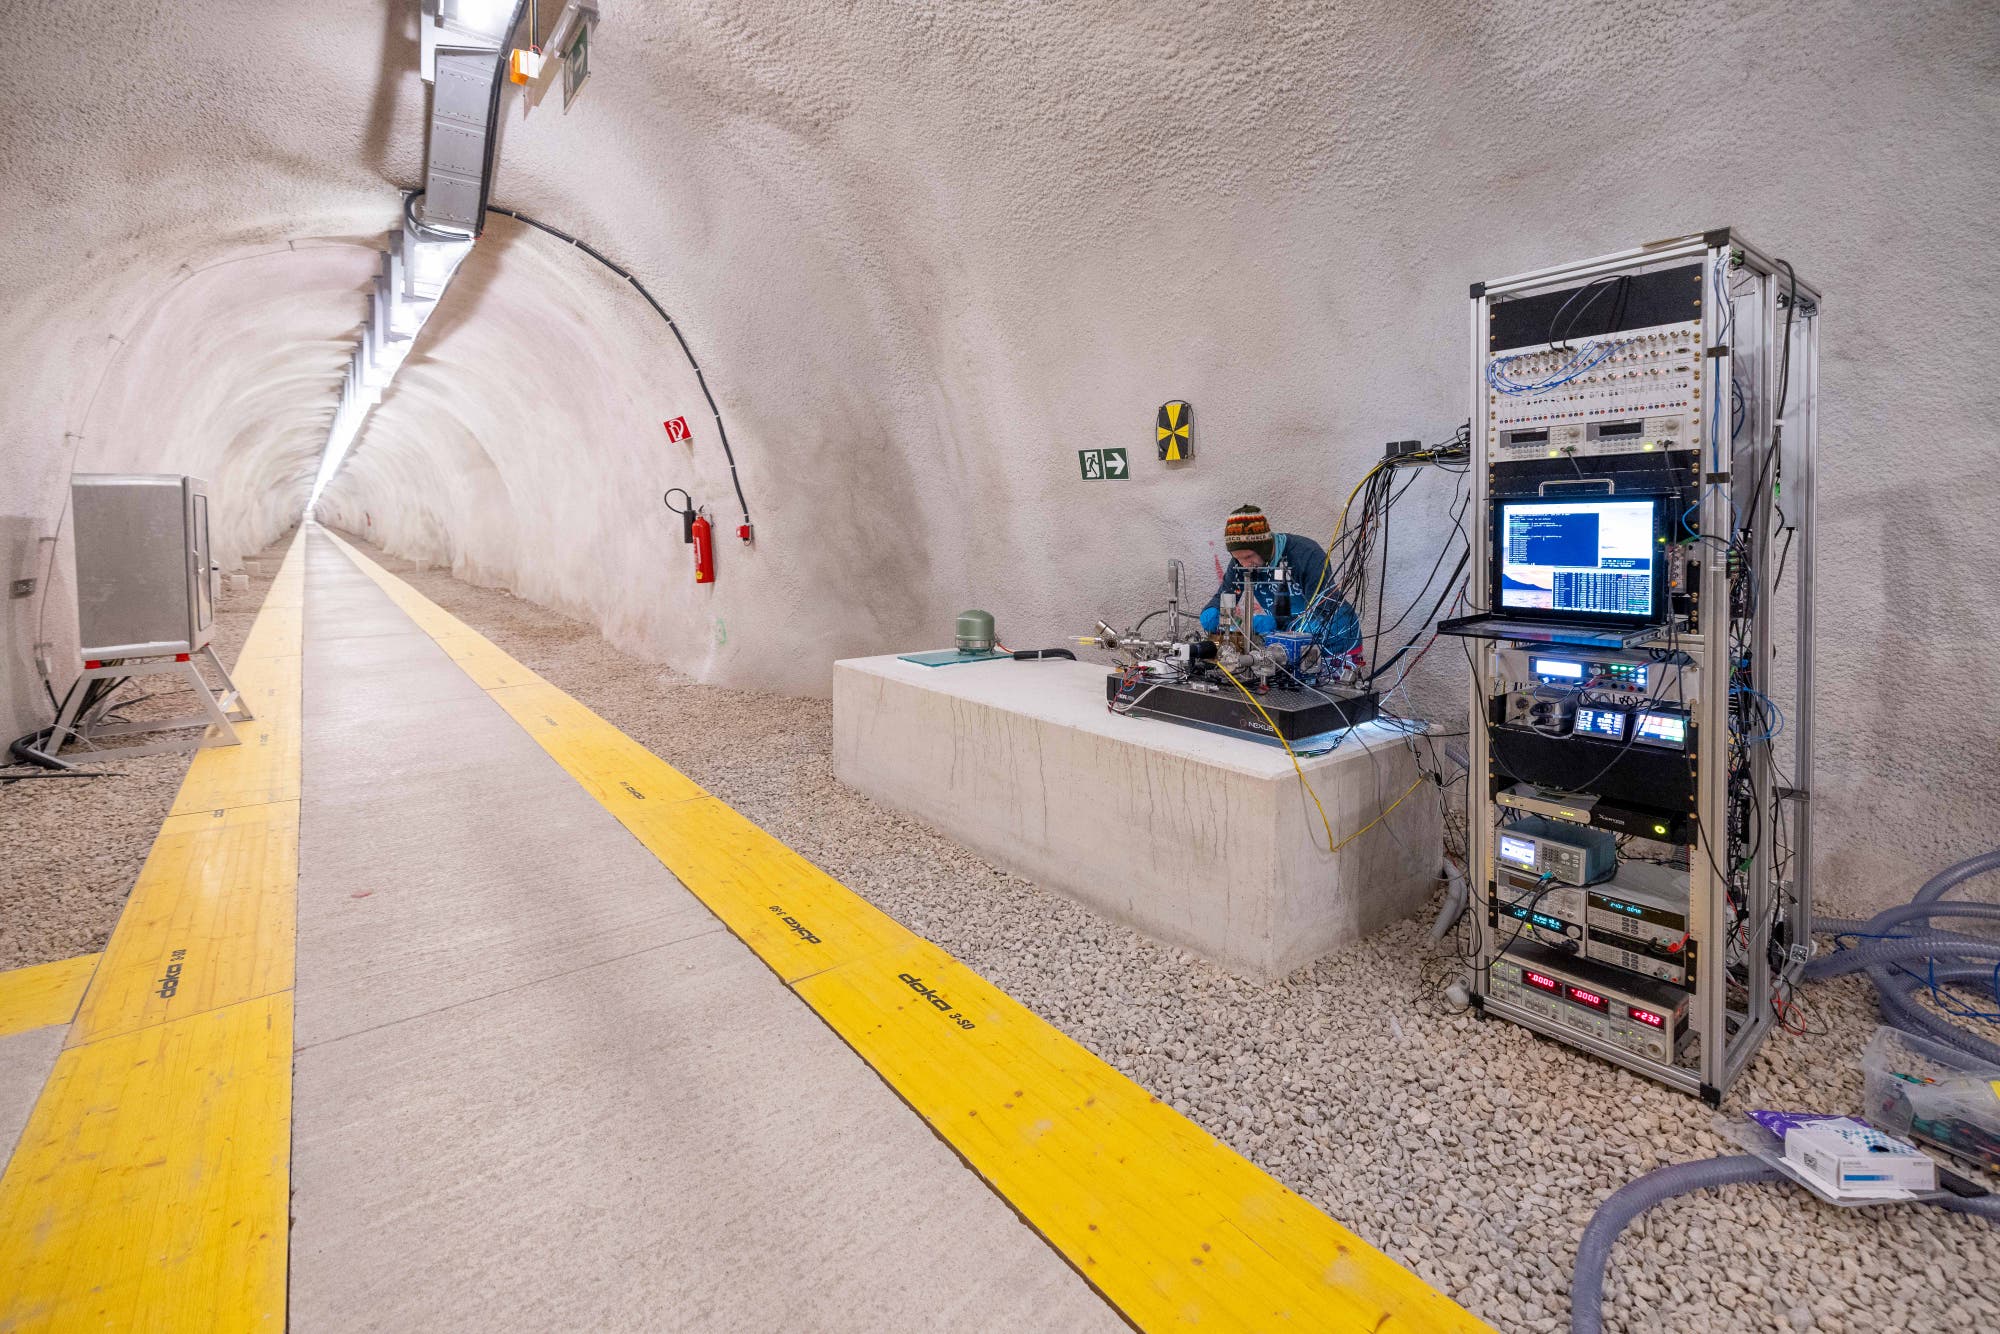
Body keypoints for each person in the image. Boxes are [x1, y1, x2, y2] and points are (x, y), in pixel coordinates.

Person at [1198, 504, 1357, 653]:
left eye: (1248, 557)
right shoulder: (1240, 564)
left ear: (1264, 547)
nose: (1244, 565)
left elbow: (1322, 610)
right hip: (1288, 641)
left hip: (1336, 638)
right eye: (1238, 558)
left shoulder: (1307, 554)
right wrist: (1214, 610)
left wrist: (1276, 623)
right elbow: (1225, 596)